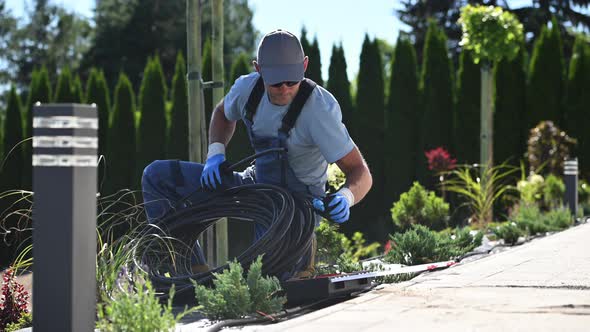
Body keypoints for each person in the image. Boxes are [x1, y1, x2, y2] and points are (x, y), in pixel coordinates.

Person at [141, 29, 372, 276]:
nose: (284, 89)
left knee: (265, 279)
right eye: (275, 82)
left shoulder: (319, 110)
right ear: (258, 69)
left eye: (292, 80)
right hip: (255, 183)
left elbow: (360, 172)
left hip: (296, 204)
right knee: (157, 177)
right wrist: (215, 153)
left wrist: (346, 197)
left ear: (304, 65)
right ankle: (188, 270)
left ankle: (301, 253)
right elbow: (222, 113)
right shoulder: (246, 89)